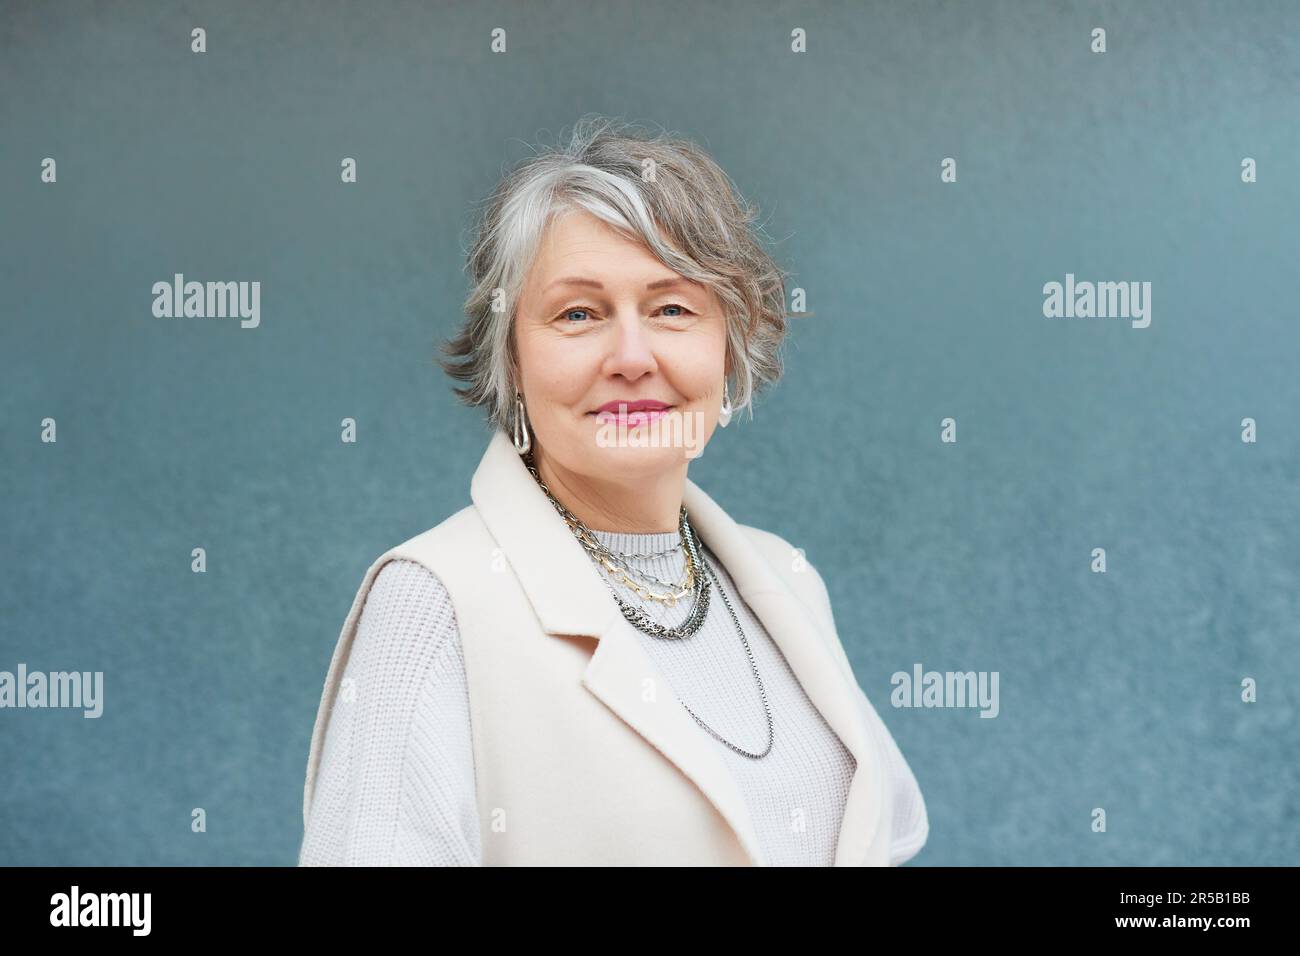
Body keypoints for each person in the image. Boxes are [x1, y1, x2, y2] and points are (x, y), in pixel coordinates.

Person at [298, 115, 928, 866]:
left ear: (729, 345)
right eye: (578, 314)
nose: (632, 357)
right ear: (511, 359)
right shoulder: (434, 602)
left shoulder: (786, 580)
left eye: (671, 308)